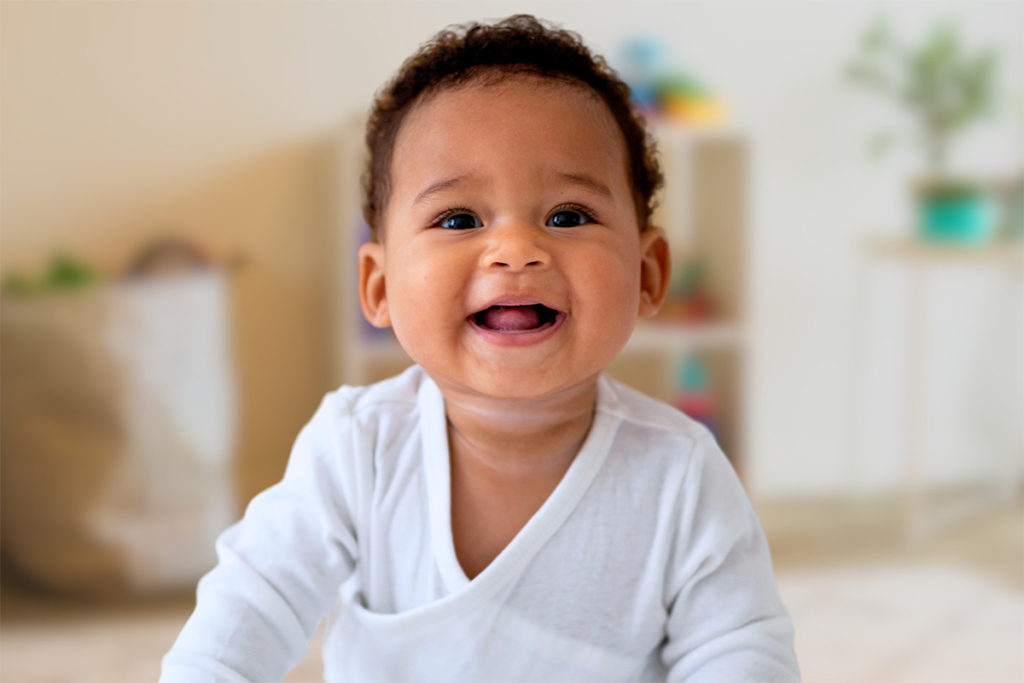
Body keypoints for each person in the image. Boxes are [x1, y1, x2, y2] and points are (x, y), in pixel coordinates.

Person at [161, 14, 799, 683]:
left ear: (648, 274)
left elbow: (741, 649)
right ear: (378, 285)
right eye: (459, 219)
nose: (516, 248)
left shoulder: (682, 474)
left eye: (568, 216)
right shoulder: (358, 449)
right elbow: (247, 610)